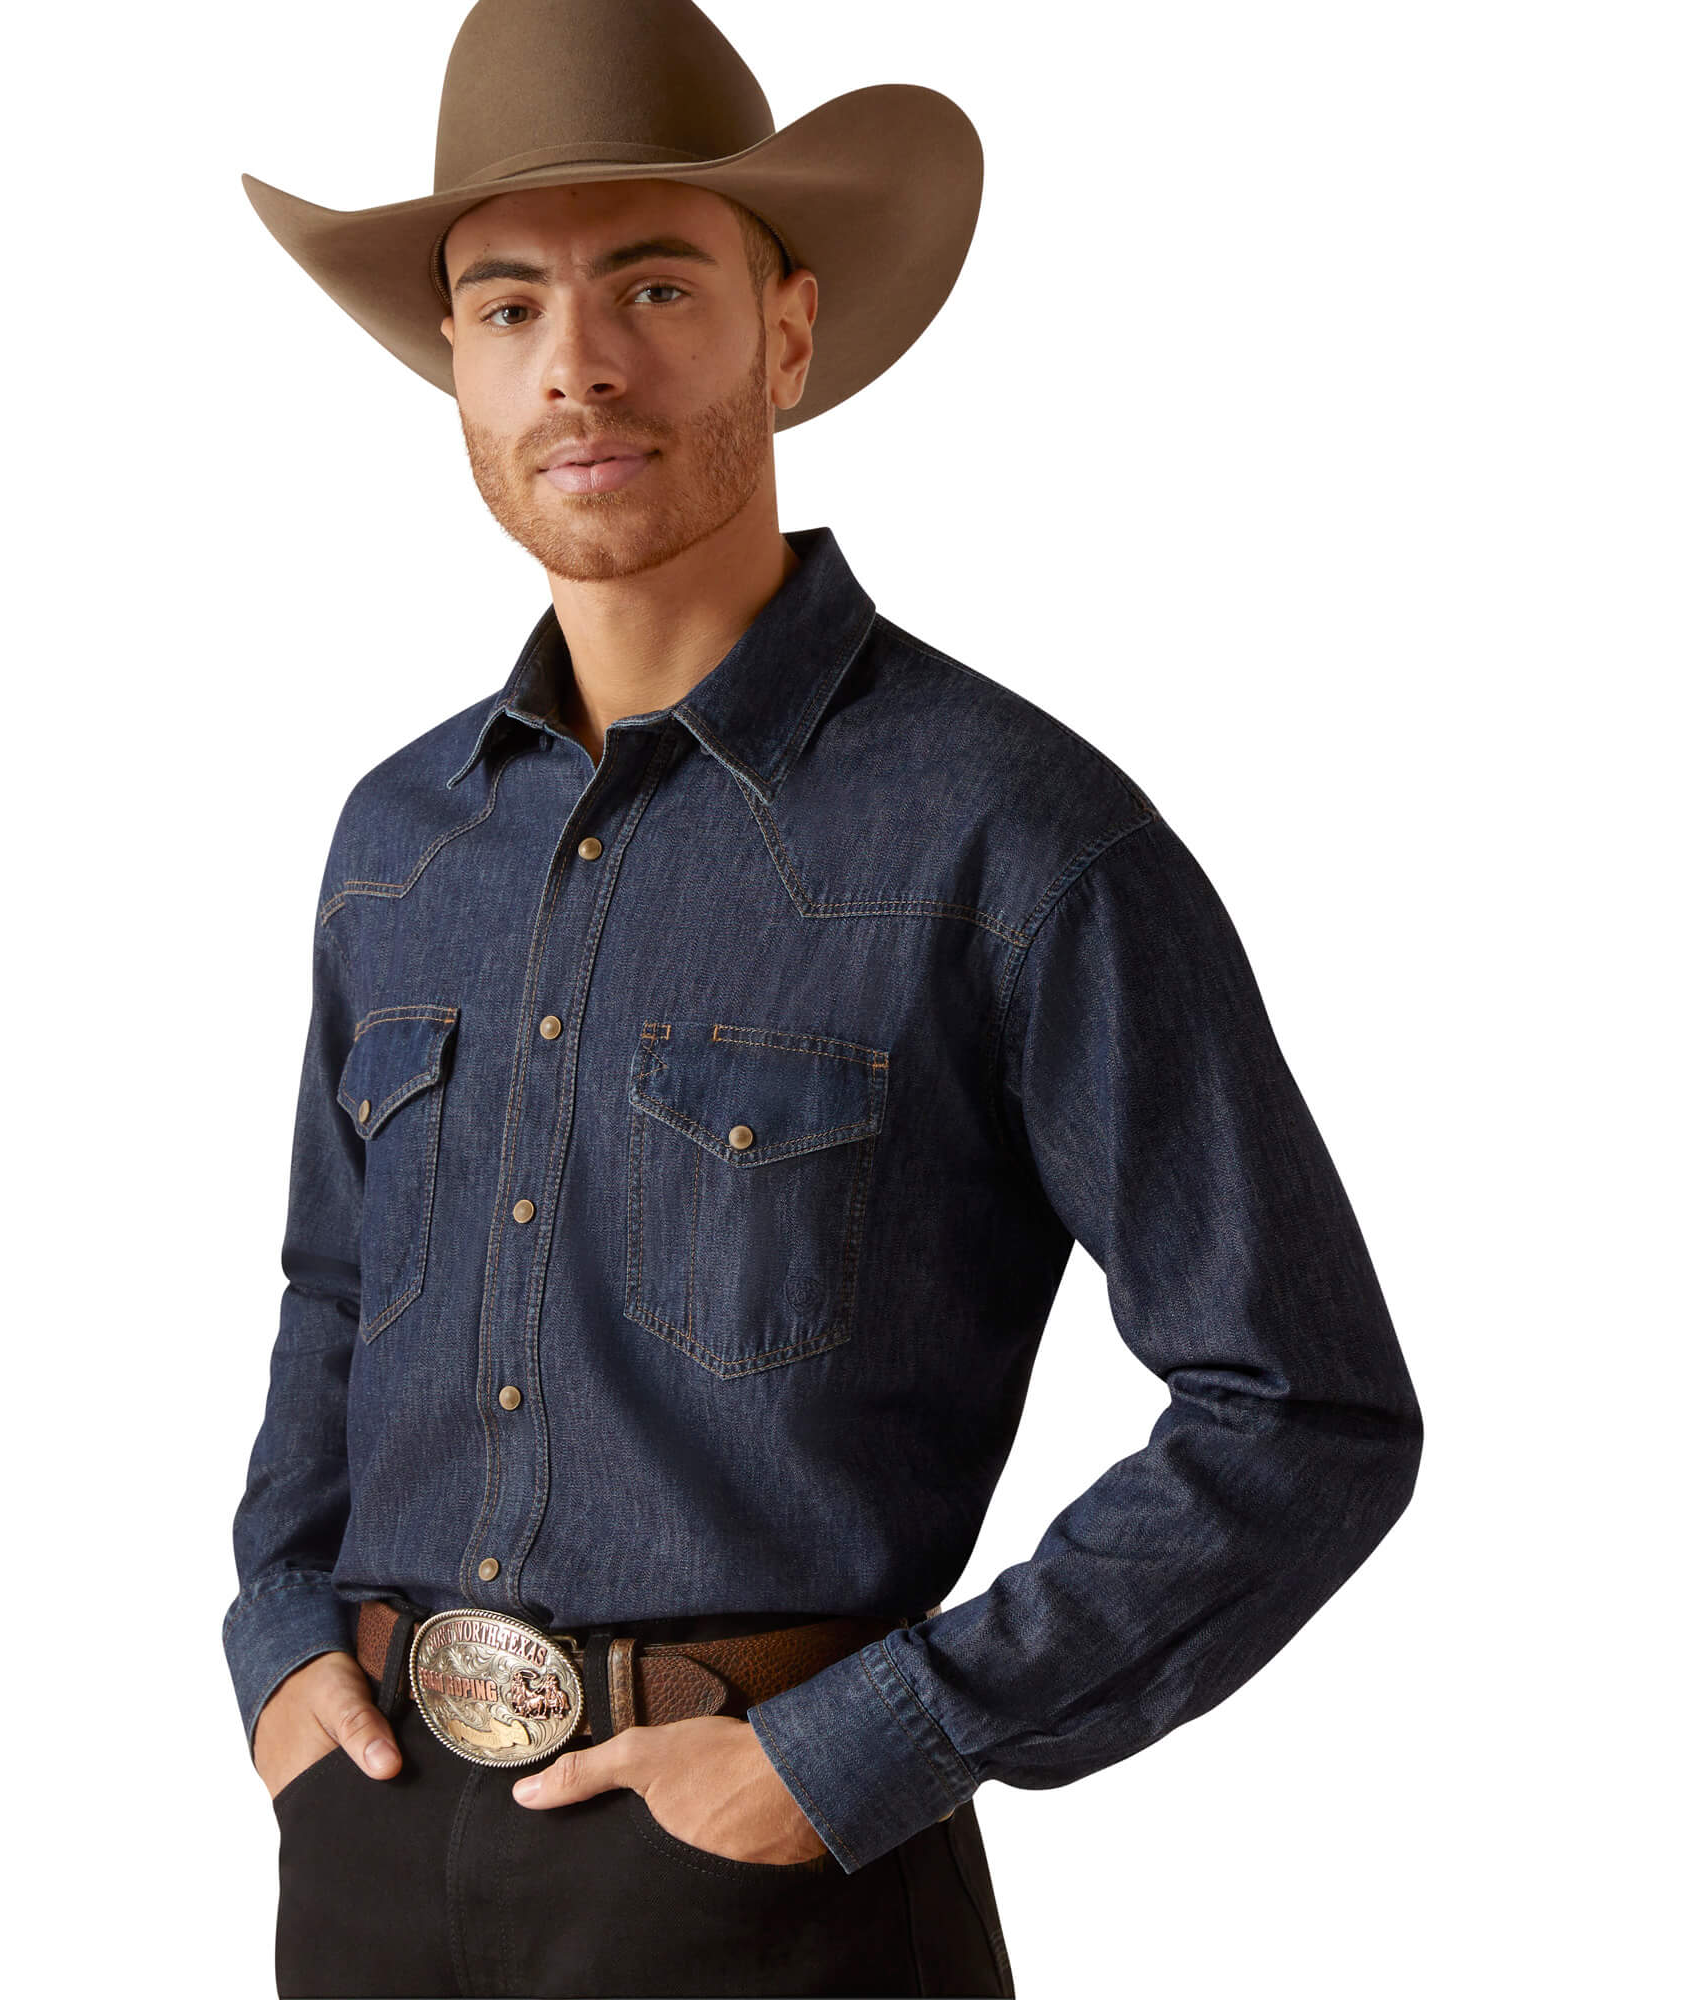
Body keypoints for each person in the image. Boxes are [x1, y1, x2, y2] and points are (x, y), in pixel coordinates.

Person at [222, 3, 1424, 1994]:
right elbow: (334, 1295)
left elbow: (1303, 1409)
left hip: (766, 1890)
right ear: (454, 358)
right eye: (508, 304)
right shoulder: (401, 841)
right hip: (370, 1855)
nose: (576, 364)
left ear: (786, 333)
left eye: (653, 287)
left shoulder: (1013, 834)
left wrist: (866, 1748)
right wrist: (276, 1638)